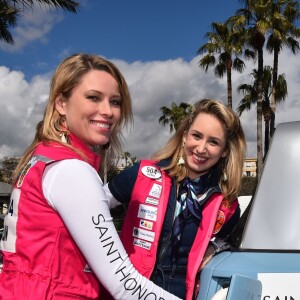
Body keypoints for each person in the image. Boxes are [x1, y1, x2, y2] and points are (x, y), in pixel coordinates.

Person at [0, 53, 181, 300]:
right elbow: (124, 284)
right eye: (93, 98)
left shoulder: (42, 159)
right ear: (61, 103)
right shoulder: (71, 170)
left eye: (115, 102)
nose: (107, 111)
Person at [104, 99, 246, 300]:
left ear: (224, 151)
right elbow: (93, 206)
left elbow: (230, 239)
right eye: (197, 136)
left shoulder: (227, 205)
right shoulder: (143, 174)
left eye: (213, 142)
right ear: (185, 136)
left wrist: (214, 248)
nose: (201, 148)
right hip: (128, 291)